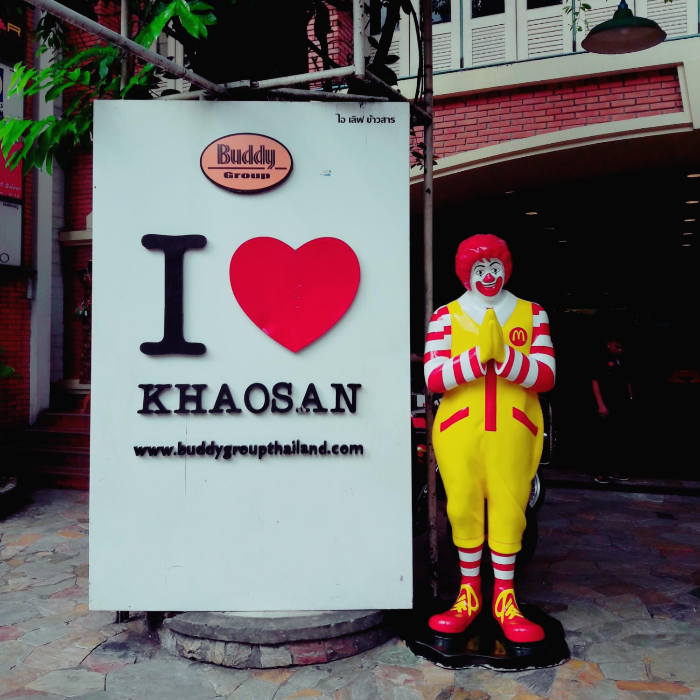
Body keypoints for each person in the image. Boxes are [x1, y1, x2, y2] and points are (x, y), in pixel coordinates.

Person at [423, 234, 555, 643]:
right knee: (462, 507)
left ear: (506, 269)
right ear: (466, 274)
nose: (488, 276)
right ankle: (468, 595)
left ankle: (505, 599)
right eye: (479, 269)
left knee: (510, 510)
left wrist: (506, 357)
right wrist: (479, 357)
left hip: (514, 431)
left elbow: (546, 375)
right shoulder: (445, 316)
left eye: (494, 267)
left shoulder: (532, 313)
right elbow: (433, 377)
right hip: (459, 431)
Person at [591, 336, 633, 484]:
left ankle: (616, 470)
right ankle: (600, 472)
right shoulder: (601, 360)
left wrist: (630, 398)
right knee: (604, 438)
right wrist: (600, 404)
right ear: (608, 344)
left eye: (622, 348)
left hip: (621, 404)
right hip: (607, 403)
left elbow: (627, 381)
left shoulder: (623, 361)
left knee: (619, 438)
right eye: (617, 347)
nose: (620, 350)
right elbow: (595, 381)